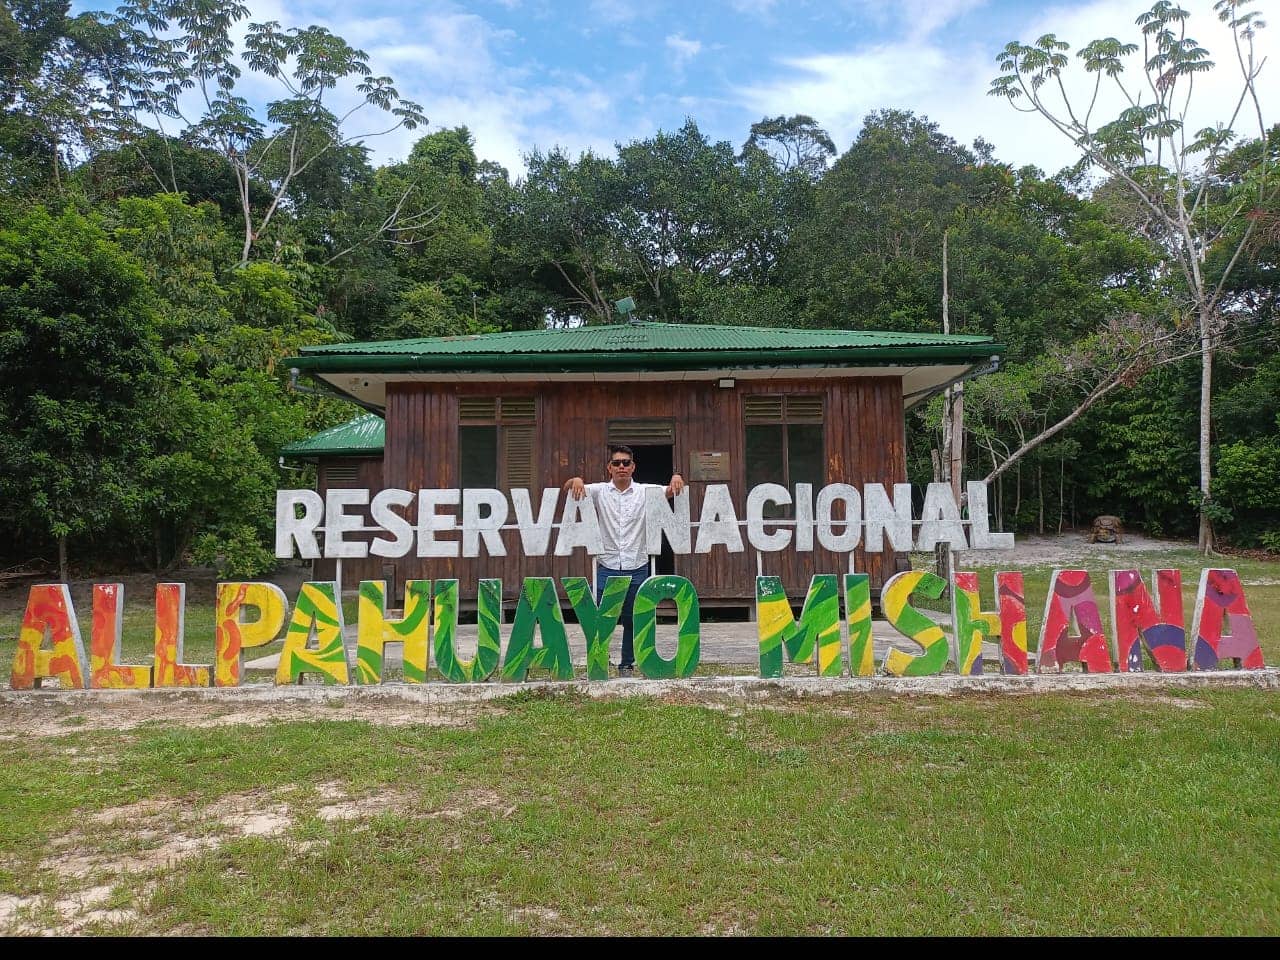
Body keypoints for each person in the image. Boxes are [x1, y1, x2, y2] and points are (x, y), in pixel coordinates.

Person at [564, 445, 684, 676]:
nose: (621, 467)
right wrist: (576, 479)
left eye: (626, 463)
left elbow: (671, 490)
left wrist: (677, 476)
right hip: (607, 566)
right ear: (609, 467)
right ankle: (599, 658)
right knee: (597, 618)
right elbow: (569, 488)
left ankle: (627, 664)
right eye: (617, 463)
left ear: (633, 467)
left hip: (637, 566)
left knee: (632, 618)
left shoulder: (645, 491)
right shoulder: (599, 491)